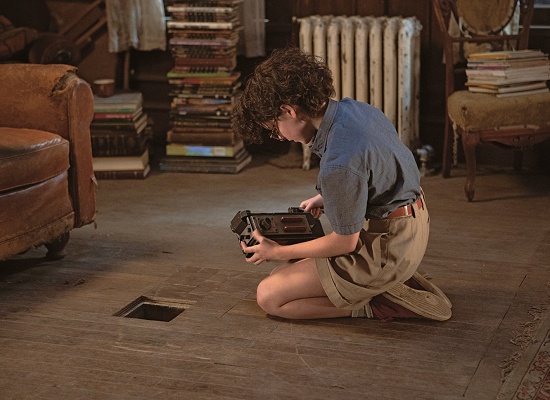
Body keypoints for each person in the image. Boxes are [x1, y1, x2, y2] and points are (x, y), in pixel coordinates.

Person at [232, 47, 452, 322]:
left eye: (274, 129)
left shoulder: (339, 162)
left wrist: (277, 251)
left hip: (387, 250)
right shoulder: (356, 110)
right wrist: (328, 198)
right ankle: (378, 285)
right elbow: (379, 172)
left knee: (269, 296)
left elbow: (345, 243)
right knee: (282, 274)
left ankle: (376, 305)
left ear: (289, 110)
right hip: (412, 227)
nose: (280, 137)